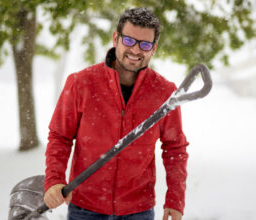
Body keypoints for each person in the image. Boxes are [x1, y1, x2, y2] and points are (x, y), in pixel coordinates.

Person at [44, 7, 189, 220]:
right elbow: (60, 136)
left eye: (145, 44)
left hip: (138, 210)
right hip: (85, 208)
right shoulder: (81, 83)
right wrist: (54, 179)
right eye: (129, 40)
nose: (136, 50)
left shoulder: (164, 93)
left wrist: (175, 201)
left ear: (154, 49)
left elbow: (175, 148)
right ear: (116, 38)